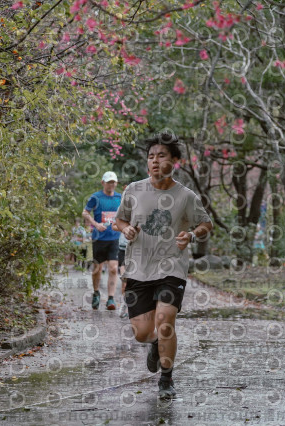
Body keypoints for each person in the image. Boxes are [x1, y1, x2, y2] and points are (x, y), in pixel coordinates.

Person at [115, 132, 212, 399]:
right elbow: (120, 220)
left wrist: (191, 235)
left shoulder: (186, 196)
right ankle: (155, 343)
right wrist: (125, 230)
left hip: (171, 267)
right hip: (138, 269)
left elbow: (206, 224)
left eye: (161, 156)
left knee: (165, 320)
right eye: (151, 157)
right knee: (142, 333)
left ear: (175, 161)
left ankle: (166, 379)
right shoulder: (134, 190)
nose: (155, 161)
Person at [82, 171, 122, 310]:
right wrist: (95, 224)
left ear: (116, 183)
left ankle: (111, 298)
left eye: (113, 182)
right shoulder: (96, 197)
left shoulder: (120, 198)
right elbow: (85, 212)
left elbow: (125, 214)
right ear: (103, 183)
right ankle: (96, 293)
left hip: (114, 238)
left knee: (113, 268)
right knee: (97, 268)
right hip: (99, 238)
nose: (111, 185)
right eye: (108, 182)